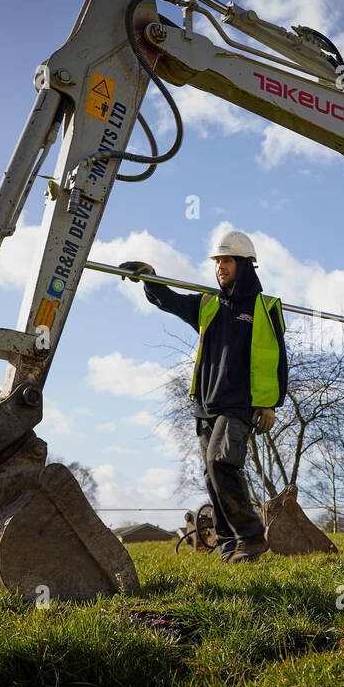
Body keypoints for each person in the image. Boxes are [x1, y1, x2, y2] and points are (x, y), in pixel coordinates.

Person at [119, 230, 288, 563]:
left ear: (244, 264)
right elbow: (170, 300)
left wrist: (269, 404)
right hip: (205, 405)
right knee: (212, 476)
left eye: (226, 260)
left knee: (221, 461)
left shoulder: (264, 308)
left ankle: (252, 536)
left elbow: (278, 359)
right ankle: (230, 548)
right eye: (217, 261)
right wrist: (150, 279)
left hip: (239, 404)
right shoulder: (207, 304)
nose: (220, 267)